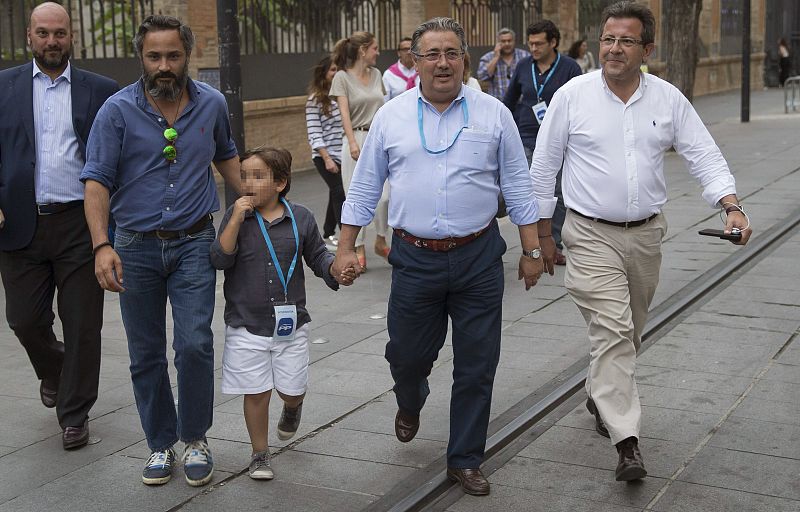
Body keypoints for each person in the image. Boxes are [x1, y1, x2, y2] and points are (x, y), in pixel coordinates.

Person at [530, 0, 752, 483]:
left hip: (646, 235)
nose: (614, 48)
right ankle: (626, 442)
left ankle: (600, 392)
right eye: (608, 39)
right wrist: (540, 235)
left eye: (626, 41)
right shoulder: (573, 96)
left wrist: (731, 205)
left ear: (646, 49)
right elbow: (543, 167)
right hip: (588, 233)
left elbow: (703, 154)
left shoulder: (668, 98)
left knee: (629, 332)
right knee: (612, 330)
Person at [333, 17, 544, 497]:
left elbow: (518, 186)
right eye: (432, 54)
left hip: (478, 257)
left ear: (464, 60)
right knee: (406, 355)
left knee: (477, 363)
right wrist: (346, 246)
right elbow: (365, 188)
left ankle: (465, 457)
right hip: (415, 257)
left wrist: (531, 250)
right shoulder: (392, 115)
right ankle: (410, 399)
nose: (442, 63)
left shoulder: (493, 114)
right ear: (414, 60)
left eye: (451, 53)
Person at [80, 15, 242, 487]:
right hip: (133, 245)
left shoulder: (211, 104)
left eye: (173, 55)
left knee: (194, 343)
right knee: (145, 352)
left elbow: (227, 156)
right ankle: (159, 444)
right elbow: (96, 183)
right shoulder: (115, 110)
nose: (164, 65)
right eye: (155, 56)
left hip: (195, 240)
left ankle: (195, 438)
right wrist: (101, 245)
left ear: (187, 55)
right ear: (142, 58)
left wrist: (262, 209)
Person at [0, 2, 117, 451]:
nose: (53, 41)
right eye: (44, 33)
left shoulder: (101, 90)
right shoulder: (4, 86)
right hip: (19, 223)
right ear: (29, 36)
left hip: (80, 223)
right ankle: (54, 369)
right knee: (24, 321)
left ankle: (74, 414)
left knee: (83, 324)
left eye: (61, 33)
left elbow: (119, 153)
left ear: (72, 37)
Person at [210, 147, 354, 480]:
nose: (247, 183)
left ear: (280, 182)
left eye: (258, 177)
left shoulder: (301, 216)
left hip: (291, 325)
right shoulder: (237, 216)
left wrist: (336, 270)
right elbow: (219, 259)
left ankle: (292, 407)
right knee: (256, 392)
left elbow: (318, 257)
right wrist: (233, 218)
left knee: (291, 389)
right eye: (244, 176)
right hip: (246, 323)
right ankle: (259, 453)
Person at [503, 20, 581, 266]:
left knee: (555, 193)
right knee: (529, 190)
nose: (533, 48)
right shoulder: (524, 66)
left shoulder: (570, 68)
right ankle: (533, 243)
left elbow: (580, 105)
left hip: (557, 141)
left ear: (553, 42)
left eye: (539, 43)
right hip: (526, 136)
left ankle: (553, 242)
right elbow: (509, 99)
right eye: (531, 43)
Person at [330, 31, 389, 268]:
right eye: (375, 48)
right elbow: (344, 113)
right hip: (355, 138)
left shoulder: (376, 74)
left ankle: (381, 238)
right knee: (355, 196)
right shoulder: (341, 78)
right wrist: (353, 142)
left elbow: (383, 109)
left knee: (384, 196)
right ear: (363, 50)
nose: (378, 52)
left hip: (378, 138)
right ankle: (359, 246)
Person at [306, 54, 345, 246]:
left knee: (335, 192)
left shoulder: (341, 96)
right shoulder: (315, 100)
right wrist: (327, 158)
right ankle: (346, 237)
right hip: (325, 156)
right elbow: (314, 132)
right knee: (339, 192)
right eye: (333, 70)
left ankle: (328, 233)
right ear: (324, 73)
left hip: (343, 153)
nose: (336, 73)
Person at [476, 27, 529, 100]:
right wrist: (496, 58)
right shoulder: (488, 57)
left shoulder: (525, 56)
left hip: (520, 103)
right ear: (498, 42)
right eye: (503, 41)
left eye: (509, 41)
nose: (507, 44)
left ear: (514, 41)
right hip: (498, 104)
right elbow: (481, 76)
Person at [383, 37, 417, 101]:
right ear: (399, 53)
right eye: (405, 49)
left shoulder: (422, 72)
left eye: (411, 49)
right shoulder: (389, 75)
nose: (409, 52)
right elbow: (385, 101)